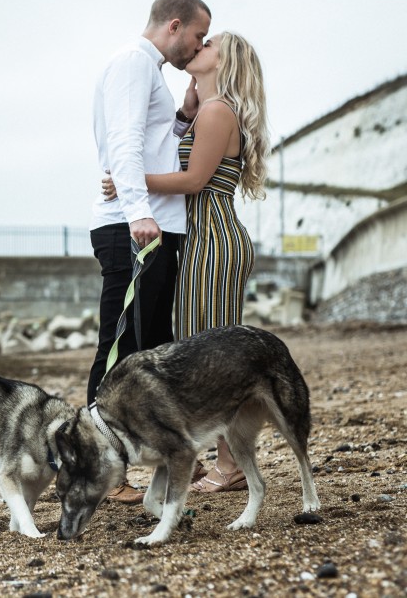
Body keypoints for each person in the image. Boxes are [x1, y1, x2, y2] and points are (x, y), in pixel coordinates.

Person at [102, 31, 271, 494]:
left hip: (212, 239)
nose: (199, 47)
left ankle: (231, 465)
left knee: (215, 357)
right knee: (208, 349)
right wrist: (186, 110)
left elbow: (194, 180)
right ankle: (227, 460)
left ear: (225, 61)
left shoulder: (219, 112)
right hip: (207, 238)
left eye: (208, 44)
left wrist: (129, 178)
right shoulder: (209, 110)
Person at [88, 0, 211, 503]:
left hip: (151, 224)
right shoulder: (133, 64)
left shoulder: (151, 72)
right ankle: (100, 468)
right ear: (175, 25)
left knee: (155, 347)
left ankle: (162, 453)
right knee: (119, 349)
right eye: (198, 36)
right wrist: (138, 210)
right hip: (133, 228)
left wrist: (182, 118)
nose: (198, 46)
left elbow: (155, 139)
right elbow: (125, 140)